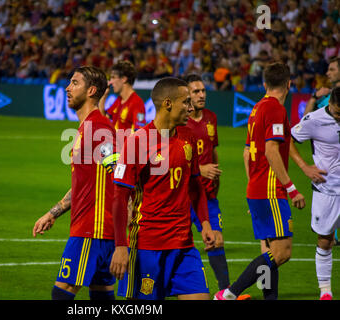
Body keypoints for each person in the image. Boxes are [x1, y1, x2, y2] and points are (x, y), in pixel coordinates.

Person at [109, 77, 216, 300]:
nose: (191, 107)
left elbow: (195, 185)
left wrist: (205, 223)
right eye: (185, 102)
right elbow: (119, 198)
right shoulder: (138, 142)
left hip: (184, 244)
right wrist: (120, 247)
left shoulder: (188, 137)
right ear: (168, 104)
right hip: (148, 245)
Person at [215, 62, 306, 300]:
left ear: (264, 84)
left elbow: (247, 153)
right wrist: (292, 188)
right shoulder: (276, 108)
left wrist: (253, 186)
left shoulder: (256, 109)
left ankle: (269, 298)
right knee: (282, 252)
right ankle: (229, 293)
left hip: (257, 187)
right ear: (289, 84)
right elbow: (271, 151)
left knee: (269, 249)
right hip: (270, 189)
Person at [32, 66, 119, 300]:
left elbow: (121, 174)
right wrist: (53, 213)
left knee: (62, 294)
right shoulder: (87, 129)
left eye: (74, 83)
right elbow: (84, 183)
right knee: (102, 295)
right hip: (100, 231)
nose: (67, 88)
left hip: (92, 230)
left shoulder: (98, 130)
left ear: (91, 90)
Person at [184, 74, 250, 300]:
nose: (201, 95)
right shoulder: (181, 123)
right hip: (183, 195)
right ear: (186, 95)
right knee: (175, 245)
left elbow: (212, 151)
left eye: (203, 90)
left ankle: (225, 292)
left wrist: (215, 180)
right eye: (196, 91)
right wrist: (200, 170)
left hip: (207, 195)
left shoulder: (211, 117)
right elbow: (171, 160)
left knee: (216, 240)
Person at [290, 87, 340, 300]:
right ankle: (325, 291)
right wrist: (305, 168)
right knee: (325, 240)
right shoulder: (313, 120)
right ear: (330, 103)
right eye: (338, 113)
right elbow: (288, 141)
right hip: (327, 189)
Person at [98, 60, 146, 133]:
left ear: (124, 79)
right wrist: (104, 96)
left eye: (113, 77)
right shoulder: (119, 100)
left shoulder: (137, 103)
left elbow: (139, 135)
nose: (110, 82)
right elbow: (103, 120)